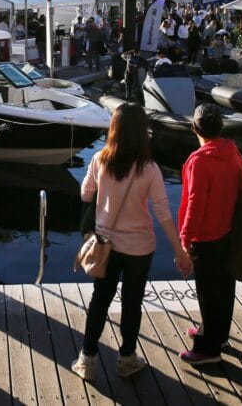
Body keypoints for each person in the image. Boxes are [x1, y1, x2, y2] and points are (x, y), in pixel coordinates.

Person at [71, 104, 192, 381]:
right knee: (132, 303)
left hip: (105, 244)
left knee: (100, 300)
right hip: (140, 247)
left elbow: (85, 193)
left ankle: (87, 361)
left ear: (113, 129)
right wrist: (179, 250)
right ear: (142, 133)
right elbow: (163, 212)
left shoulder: (100, 159)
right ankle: (127, 359)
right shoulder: (149, 169)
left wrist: (103, 201)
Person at [179, 104, 242, 364]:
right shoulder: (232, 152)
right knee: (224, 287)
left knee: (207, 291)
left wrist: (185, 237)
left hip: (205, 237)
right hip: (227, 231)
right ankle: (217, 334)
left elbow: (195, 202)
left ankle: (208, 349)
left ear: (195, 128)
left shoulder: (200, 160)